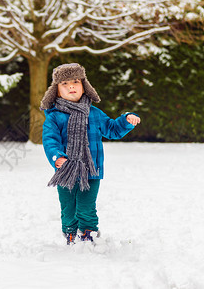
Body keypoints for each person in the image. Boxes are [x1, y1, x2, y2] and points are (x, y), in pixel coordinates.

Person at [40, 63, 140, 245]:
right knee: (68, 208)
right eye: (65, 84)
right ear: (56, 91)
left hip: (91, 170)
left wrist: (126, 120)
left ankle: (88, 233)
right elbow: (50, 140)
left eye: (76, 82)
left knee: (86, 207)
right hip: (66, 171)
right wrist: (56, 156)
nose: (71, 86)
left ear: (84, 86)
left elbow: (112, 129)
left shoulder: (94, 114)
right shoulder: (54, 117)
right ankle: (70, 232)